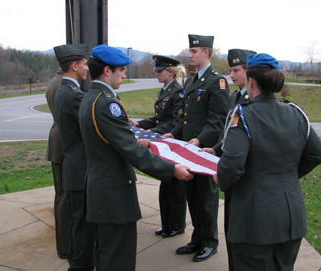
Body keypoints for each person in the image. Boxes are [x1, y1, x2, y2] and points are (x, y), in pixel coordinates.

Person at [78, 44, 193, 271]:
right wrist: (171, 169)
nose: (123, 75)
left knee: (105, 256)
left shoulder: (91, 97)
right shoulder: (107, 104)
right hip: (113, 196)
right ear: (107, 70)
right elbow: (131, 152)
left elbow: (109, 142)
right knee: (117, 260)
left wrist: (137, 142)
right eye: (121, 70)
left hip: (100, 190)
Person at [214, 53, 321, 271]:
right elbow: (316, 154)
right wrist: (286, 176)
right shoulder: (296, 113)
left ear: (251, 81)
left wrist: (222, 181)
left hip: (254, 219)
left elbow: (232, 164)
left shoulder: (243, 115)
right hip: (291, 216)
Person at [164, 34, 230, 262]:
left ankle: (210, 243)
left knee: (207, 198)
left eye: (194, 52)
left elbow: (218, 119)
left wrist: (200, 141)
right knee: (191, 195)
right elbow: (186, 119)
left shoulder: (217, 81)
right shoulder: (191, 81)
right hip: (188, 148)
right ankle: (197, 239)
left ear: (206, 53)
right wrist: (175, 133)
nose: (190, 55)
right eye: (190, 51)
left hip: (204, 151)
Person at [201, 48, 256, 270]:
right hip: (232, 174)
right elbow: (228, 135)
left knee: (242, 236)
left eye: (236, 70)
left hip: (242, 175)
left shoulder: (253, 101)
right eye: (230, 70)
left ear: (249, 72)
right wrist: (215, 150)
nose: (231, 75)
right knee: (231, 231)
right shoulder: (235, 96)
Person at [133, 55, 187, 238]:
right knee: (166, 185)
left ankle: (177, 225)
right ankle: (167, 224)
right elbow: (158, 119)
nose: (156, 73)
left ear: (170, 72)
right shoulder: (164, 90)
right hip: (162, 141)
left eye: (160, 71)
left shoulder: (177, 92)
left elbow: (176, 121)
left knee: (175, 187)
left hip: (171, 142)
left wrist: (153, 132)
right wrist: (141, 125)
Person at [53, 44, 94, 271]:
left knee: (76, 222)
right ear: (75, 65)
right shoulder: (73, 95)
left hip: (73, 166)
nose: (87, 68)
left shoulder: (63, 90)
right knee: (81, 225)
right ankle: (79, 266)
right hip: (80, 170)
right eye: (85, 64)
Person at [45, 67, 69, 259]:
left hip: (57, 143)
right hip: (63, 145)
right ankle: (66, 246)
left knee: (61, 195)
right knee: (64, 197)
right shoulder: (64, 85)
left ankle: (65, 244)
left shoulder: (54, 82)